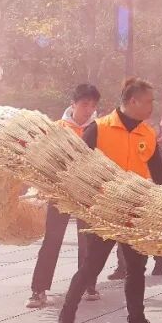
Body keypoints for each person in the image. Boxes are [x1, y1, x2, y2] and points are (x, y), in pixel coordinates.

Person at [56, 78, 162, 323]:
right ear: (133, 101)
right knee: (92, 266)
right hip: (104, 212)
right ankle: (67, 315)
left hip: (134, 211)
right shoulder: (99, 129)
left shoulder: (147, 133)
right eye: (148, 101)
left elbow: (159, 174)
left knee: (136, 267)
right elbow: (77, 168)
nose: (152, 106)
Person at [27, 84, 102, 309]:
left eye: (93, 105)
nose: (89, 110)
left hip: (87, 191)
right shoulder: (57, 128)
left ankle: (88, 284)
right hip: (60, 191)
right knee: (52, 238)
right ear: (73, 104)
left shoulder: (99, 129)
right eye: (84, 104)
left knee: (88, 240)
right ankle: (38, 289)